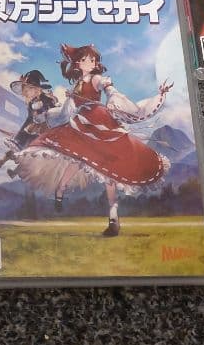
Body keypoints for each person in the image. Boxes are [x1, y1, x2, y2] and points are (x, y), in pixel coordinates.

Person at [13, 45, 170, 237]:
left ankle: (113, 217)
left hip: (101, 124)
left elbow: (111, 91)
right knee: (76, 158)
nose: (91, 62)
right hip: (81, 124)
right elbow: (66, 111)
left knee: (108, 169)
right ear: (78, 63)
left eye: (93, 60)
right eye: (86, 59)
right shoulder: (76, 85)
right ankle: (61, 190)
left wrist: (112, 99)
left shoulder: (97, 79)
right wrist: (45, 116)